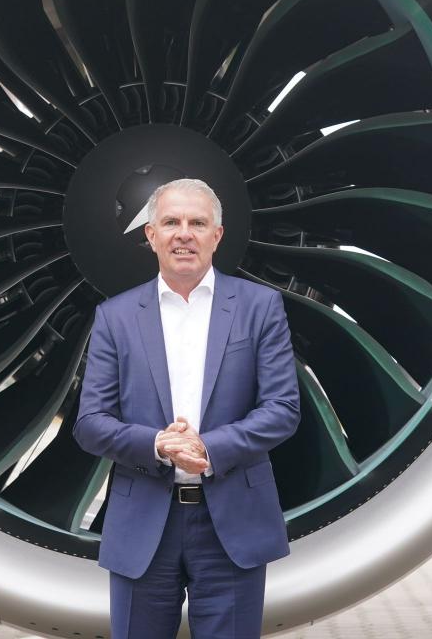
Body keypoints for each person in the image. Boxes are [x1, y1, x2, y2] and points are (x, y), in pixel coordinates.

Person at [74, 178, 300, 638]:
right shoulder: (115, 317)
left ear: (217, 235)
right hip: (144, 526)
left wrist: (208, 448)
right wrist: (158, 444)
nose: (184, 234)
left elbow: (282, 408)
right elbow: (90, 422)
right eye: (171, 222)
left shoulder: (260, 307)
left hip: (231, 524)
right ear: (151, 235)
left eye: (197, 223)